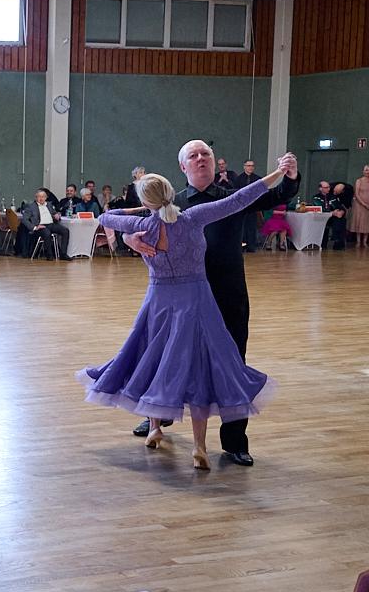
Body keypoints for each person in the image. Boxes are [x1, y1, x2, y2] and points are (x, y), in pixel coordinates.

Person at [80, 165, 287, 470]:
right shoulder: (192, 217)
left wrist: (140, 213)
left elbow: (105, 217)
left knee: (155, 360)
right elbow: (240, 199)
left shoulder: (142, 224)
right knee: (200, 367)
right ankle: (199, 447)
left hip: (159, 301)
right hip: (195, 301)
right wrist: (274, 175)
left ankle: (154, 428)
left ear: (146, 201)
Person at [122, 141, 301, 466]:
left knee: (233, 361)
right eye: (193, 155)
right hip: (181, 298)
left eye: (205, 153)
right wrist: (129, 239)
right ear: (183, 167)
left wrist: (289, 176)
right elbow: (133, 224)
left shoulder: (233, 195)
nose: (201, 158)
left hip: (227, 291)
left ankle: (234, 442)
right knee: (166, 357)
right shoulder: (171, 201)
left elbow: (279, 195)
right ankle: (157, 417)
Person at [18, 189, 70, 260]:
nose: (41, 198)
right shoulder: (31, 206)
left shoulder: (49, 204)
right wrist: (34, 227)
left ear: (46, 198)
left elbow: (54, 212)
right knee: (46, 232)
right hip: (40, 226)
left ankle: (63, 254)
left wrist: (56, 215)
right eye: (39, 197)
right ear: (36, 198)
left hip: (51, 224)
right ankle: (49, 255)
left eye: (43, 197)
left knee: (65, 231)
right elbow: (24, 219)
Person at [234, 160, 262, 252]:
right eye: (249, 165)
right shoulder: (239, 179)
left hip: (253, 206)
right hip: (241, 206)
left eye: (252, 166)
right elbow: (235, 192)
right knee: (242, 226)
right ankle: (241, 245)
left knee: (252, 226)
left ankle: (251, 246)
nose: (251, 167)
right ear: (244, 167)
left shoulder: (258, 179)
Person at [325, 182, 350, 250]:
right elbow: (321, 208)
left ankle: (338, 242)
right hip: (325, 215)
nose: (334, 192)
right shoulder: (320, 196)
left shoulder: (340, 196)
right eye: (334, 191)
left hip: (336, 215)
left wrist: (342, 211)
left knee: (341, 220)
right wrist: (332, 212)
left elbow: (340, 206)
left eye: (337, 192)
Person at [350, 164, 369, 247]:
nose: (368, 172)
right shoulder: (359, 181)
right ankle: (358, 241)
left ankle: (365, 242)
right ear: (363, 171)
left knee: (367, 223)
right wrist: (364, 204)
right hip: (359, 204)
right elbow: (356, 194)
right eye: (366, 170)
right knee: (359, 222)